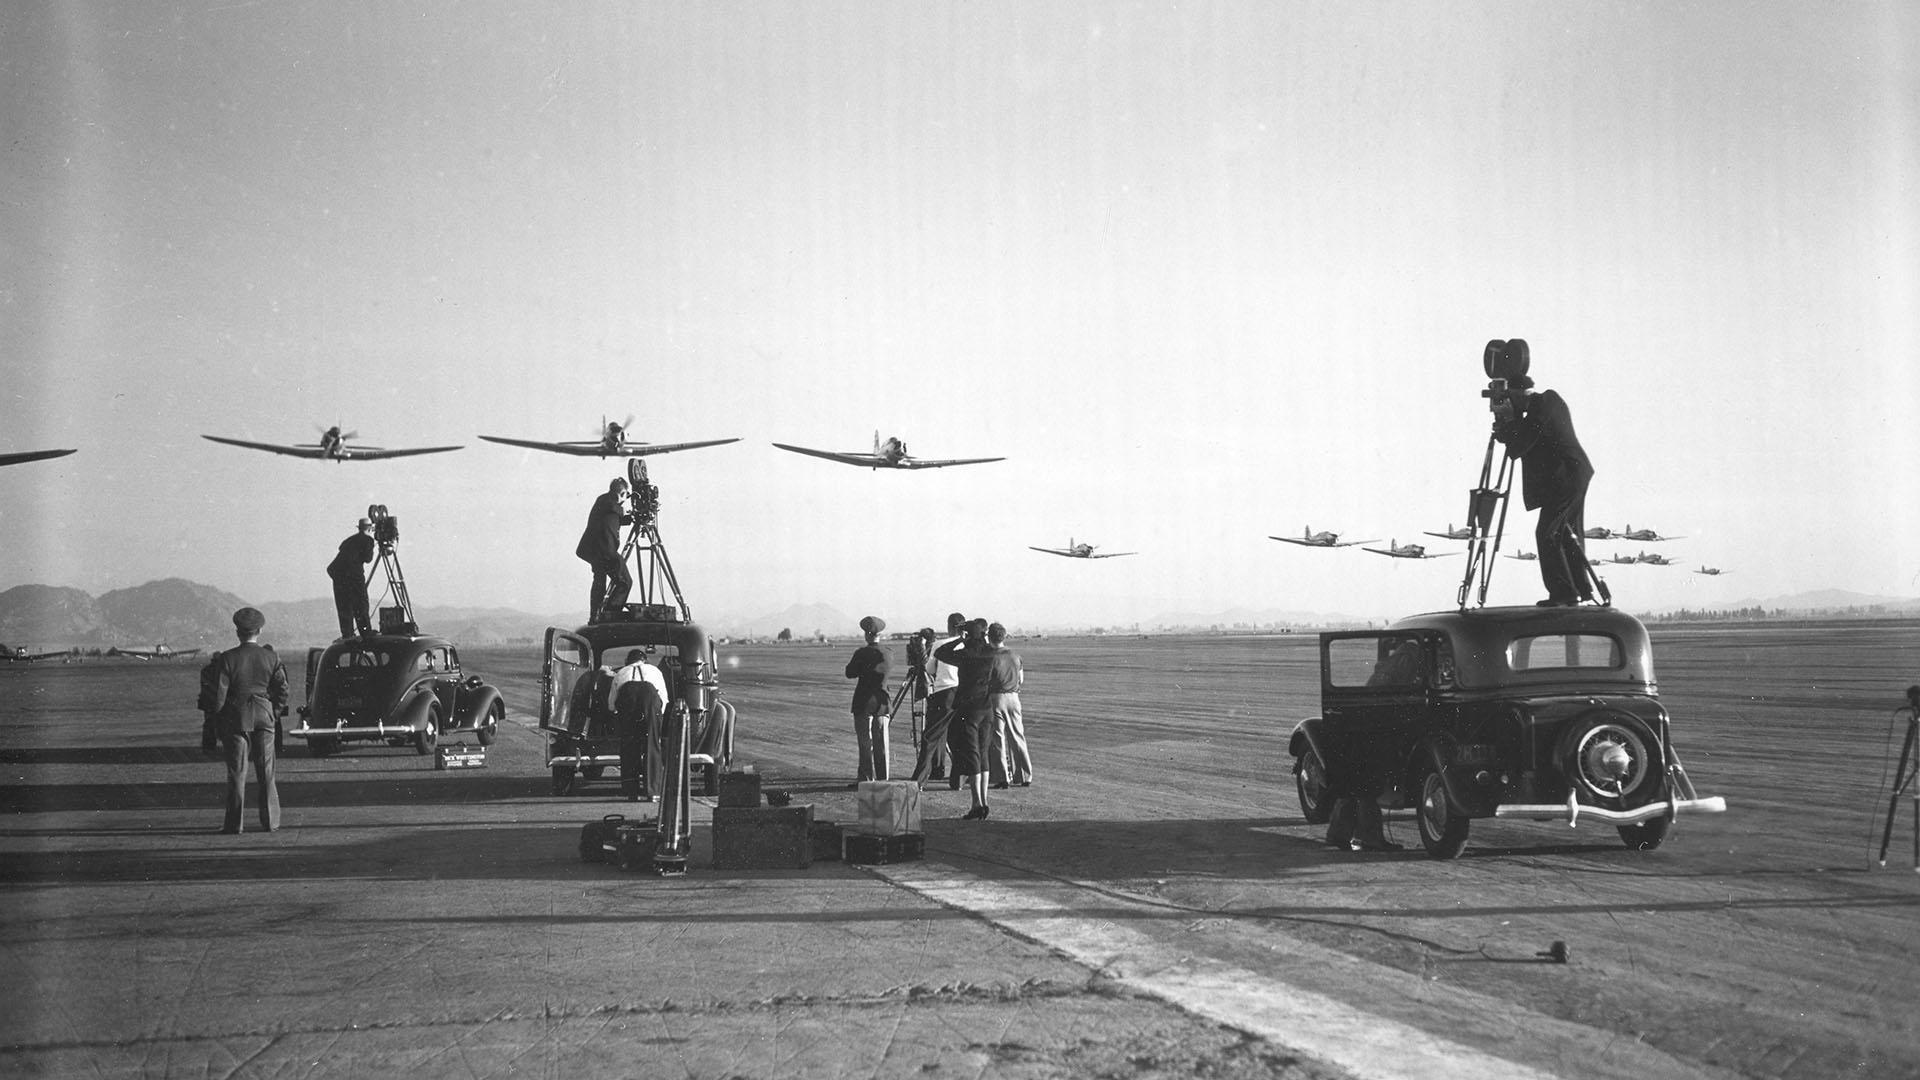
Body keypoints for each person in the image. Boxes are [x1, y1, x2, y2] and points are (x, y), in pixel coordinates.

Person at [1493, 372, 1594, 607]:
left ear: (1518, 395)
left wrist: (1509, 422)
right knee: (1568, 535)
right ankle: (1580, 590)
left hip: (1567, 478)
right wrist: (1508, 426)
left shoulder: (1546, 402)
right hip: (1570, 477)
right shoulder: (1537, 411)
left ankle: (1564, 593)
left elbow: (1519, 445)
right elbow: (1523, 439)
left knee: (1547, 534)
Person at [211, 607, 289, 834]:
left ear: (238, 632)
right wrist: (274, 711)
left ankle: (234, 825)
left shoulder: (227, 658)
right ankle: (271, 822)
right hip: (265, 716)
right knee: (266, 771)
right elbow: (283, 690)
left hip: (236, 718)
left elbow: (219, 697)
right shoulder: (272, 657)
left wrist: (218, 722)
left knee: (237, 772)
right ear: (260, 630)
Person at [933, 618, 997, 820]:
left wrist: (957, 639)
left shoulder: (964, 654)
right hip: (986, 707)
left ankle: (976, 804)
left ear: (967, 635)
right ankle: (984, 801)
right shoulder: (989, 652)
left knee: (972, 755)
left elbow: (939, 653)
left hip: (968, 708)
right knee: (983, 753)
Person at [910, 613, 968, 785]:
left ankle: (919, 780)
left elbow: (929, 668)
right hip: (963, 692)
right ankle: (959, 779)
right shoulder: (967, 644)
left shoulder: (939, 644)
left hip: (944, 693)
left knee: (930, 737)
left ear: (949, 627)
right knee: (959, 738)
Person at [610, 649, 665, 802]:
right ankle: (653, 792)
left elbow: (611, 704)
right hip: (651, 709)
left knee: (629, 748)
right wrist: (657, 719)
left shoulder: (620, 673)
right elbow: (664, 699)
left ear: (628, 661)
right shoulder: (655, 671)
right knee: (652, 747)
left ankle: (631, 792)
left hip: (628, 710)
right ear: (644, 660)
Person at [575, 478, 634, 620]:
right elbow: (613, 508)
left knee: (600, 581)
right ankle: (609, 614)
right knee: (625, 582)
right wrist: (625, 510)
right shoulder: (605, 501)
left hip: (599, 551)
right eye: (626, 495)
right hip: (603, 552)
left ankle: (598, 615)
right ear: (619, 493)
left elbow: (615, 518)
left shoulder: (609, 506)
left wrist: (632, 517)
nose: (625, 500)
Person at [844, 616, 892, 784]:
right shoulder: (888, 653)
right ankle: (883, 779)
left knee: (865, 744)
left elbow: (850, 672)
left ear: (867, 635)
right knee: (881, 744)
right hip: (882, 702)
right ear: (879, 634)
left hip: (863, 701)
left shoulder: (861, 653)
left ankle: (865, 779)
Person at [985, 622, 1030, 789]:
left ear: (989, 637)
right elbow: (1021, 679)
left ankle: (1002, 777)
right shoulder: (1015, 656)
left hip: (996, 698)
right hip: (1014, 698)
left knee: (997, 738)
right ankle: (1025, 775)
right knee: (1017, 736)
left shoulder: (991, 657)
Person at [326, 517, 376, 639]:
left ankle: (347, 634)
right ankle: (365, 632)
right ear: (370, 529)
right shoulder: (368, 540)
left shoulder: (349, 540)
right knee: (361, 604)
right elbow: (368, 559)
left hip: (337, 575)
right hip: (353, 576)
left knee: (344, 606)